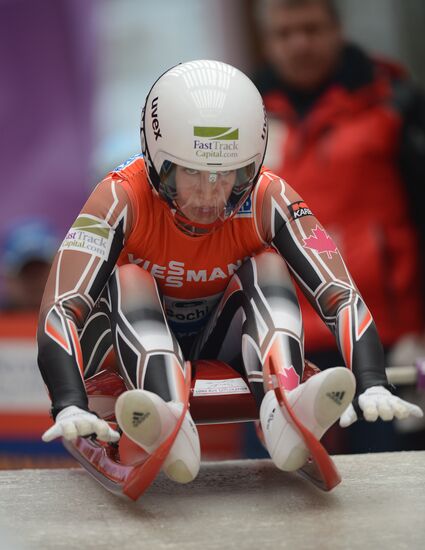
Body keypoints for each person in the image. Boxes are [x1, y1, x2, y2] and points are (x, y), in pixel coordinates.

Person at [37, 60, 422, 484]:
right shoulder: (118, 196)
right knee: (130, 279)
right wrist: (69, 400)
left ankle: (284, 404)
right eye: (191, 174)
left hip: (220, 339)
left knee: (269, 266)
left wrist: (372, 379)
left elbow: (340, 292)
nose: (209, 196)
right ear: (156, 162)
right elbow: (60, 307)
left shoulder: (268, 194)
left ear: (252, 164)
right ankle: (166, 413)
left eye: (228, 176)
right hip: (121, 346)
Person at [1, 219, 59, 311]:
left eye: (41, 270)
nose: (35, 282)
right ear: (9, 279)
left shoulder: (83, 320)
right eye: (26, 272)